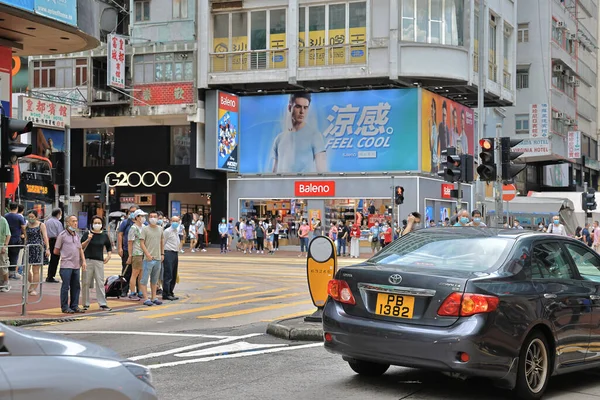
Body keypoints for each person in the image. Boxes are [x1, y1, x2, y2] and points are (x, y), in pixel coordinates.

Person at [271, 93, 327, 173]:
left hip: (304, 185)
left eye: (305, 108)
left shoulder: (315, 136)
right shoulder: (279, 139)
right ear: (290, 107)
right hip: (283, 184)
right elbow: (274, 172)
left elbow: (322, 172)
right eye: (298, 107)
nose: (302, 111)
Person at [55, 215, 86, 314]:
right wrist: (65, 254)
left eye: (76, 221)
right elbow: (56, 250)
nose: (75, 223)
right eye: (73, 221)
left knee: (76, 286)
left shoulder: (76, 235)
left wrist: (83, 261)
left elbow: (80, 248)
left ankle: (74, 305)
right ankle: (65, 307)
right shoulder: (62, 235)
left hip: (76, 265)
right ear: (67, 223)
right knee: (65, 286)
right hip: (66, 265)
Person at [81, 216, 112, 311]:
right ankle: (85, 304)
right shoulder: (87, 234)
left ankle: (102, 303)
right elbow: (80, 246)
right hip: (88, 260)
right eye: (95, 222)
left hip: (99, 261)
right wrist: (88, 239)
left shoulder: (104, 235)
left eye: (99, 223)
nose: (97, 224)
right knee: (85, 282)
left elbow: (108, 246)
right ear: (92, 224)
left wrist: (109, 255)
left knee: (100, 282)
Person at [139, 211, 164, 306]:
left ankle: (154, 297)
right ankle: (146, 298)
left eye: (155, 216)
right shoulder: (145, 229)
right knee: (144, 279)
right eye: (151, 216)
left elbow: (162, 241)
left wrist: (162, 254)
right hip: (148, 258)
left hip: (158, 258)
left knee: (155, 280)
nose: (153, 218)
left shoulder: (160, 229)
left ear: (158, 218)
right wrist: (147, 254)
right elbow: (141, 243)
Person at [24, 210, 50, 296]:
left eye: (32, 217)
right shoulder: (27, 226)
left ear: (36, 217)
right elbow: (26, 238)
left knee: (35, 270)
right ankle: (32, 284)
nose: (31, 219)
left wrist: (47, 249)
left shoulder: (41, 225)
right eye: (29, 217)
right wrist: (24, 246)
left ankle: (33, 288)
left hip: (37, 248)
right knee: (26, 269)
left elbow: (45, 237)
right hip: (28, 248)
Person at [118, 205, 140, 297]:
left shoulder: (142, 223)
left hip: (139, 252)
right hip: (127, 250)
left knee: (139, 272)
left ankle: (140, 290)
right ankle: (124, 290)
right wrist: (120, 248)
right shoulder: (125, 222)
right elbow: (120, 235)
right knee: (126, 271)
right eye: (130, 211)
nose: (132, 213)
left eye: (134, 211)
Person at [126, 209, 146, 301]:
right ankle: (132, 292)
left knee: (142, 273)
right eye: (141, 216)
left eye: (143, 216)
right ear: (137, 217)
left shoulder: (144, 227)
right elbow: (130, 242)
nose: (143, 218)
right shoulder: (133, 228)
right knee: (135, 273)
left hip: (144, 253)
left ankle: (140, 291)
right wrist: (130, 255)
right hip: (137, 253)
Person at [4, 203, 25, 281]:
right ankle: (12, 273)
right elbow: (23, 228)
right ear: (16, 208)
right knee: (15, 257)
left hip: (6, 239)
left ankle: (6, 272)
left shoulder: (5, 216)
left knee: (7, 257)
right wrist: (25, 236)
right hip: (16, 240)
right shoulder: (19, 217)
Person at [162, 216, 180, 301]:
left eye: (177, 221)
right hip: (168, 252)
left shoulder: (176, 231)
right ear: (170, 221)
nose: (175, 223)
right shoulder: (167, 231)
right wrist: (162, 254)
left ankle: (171, 291)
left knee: (173, 274)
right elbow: (162, 243)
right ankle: (166, 293)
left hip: (175, 253)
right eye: (173, 221)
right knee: (168, 274)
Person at [45, 208, 63, 283]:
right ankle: (51, 276)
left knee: (51, 259)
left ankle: (49, 275)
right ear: (58, 214)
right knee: (55, 259)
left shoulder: (47, 221)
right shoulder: (58, 223)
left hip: (48, 240)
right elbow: (60, 234)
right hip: (56, 241)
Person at [0, 215, 11, 292]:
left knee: (3, 266)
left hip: (1, 247)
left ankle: (6, 283)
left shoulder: (3, 220)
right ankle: (2, 283)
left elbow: (8, 234)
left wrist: (5, 246)